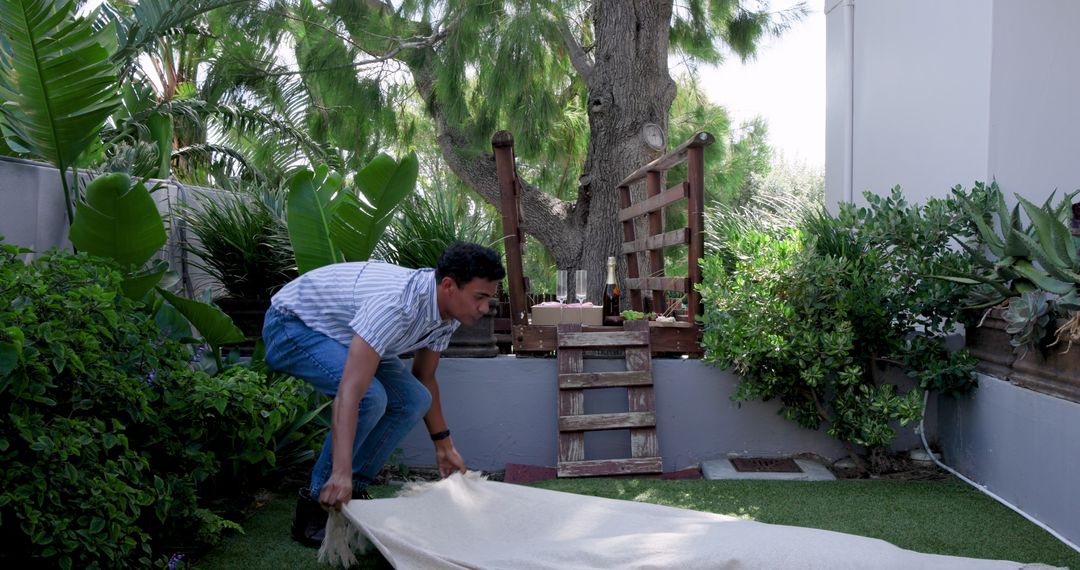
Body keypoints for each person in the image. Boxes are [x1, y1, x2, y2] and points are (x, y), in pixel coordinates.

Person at [261, 241, 506, 547]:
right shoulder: (397, 304)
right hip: (292, 325)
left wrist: (444, 446)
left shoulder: (446, 315)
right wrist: (339, 471)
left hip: (343, 334)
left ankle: (354, 493)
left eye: (489, 298)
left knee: (414, 399)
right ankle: (317, 505)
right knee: (370, 397)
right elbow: (351, 392)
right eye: (480, 297)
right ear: (448, 286)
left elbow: (424, 377)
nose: (485, 308)